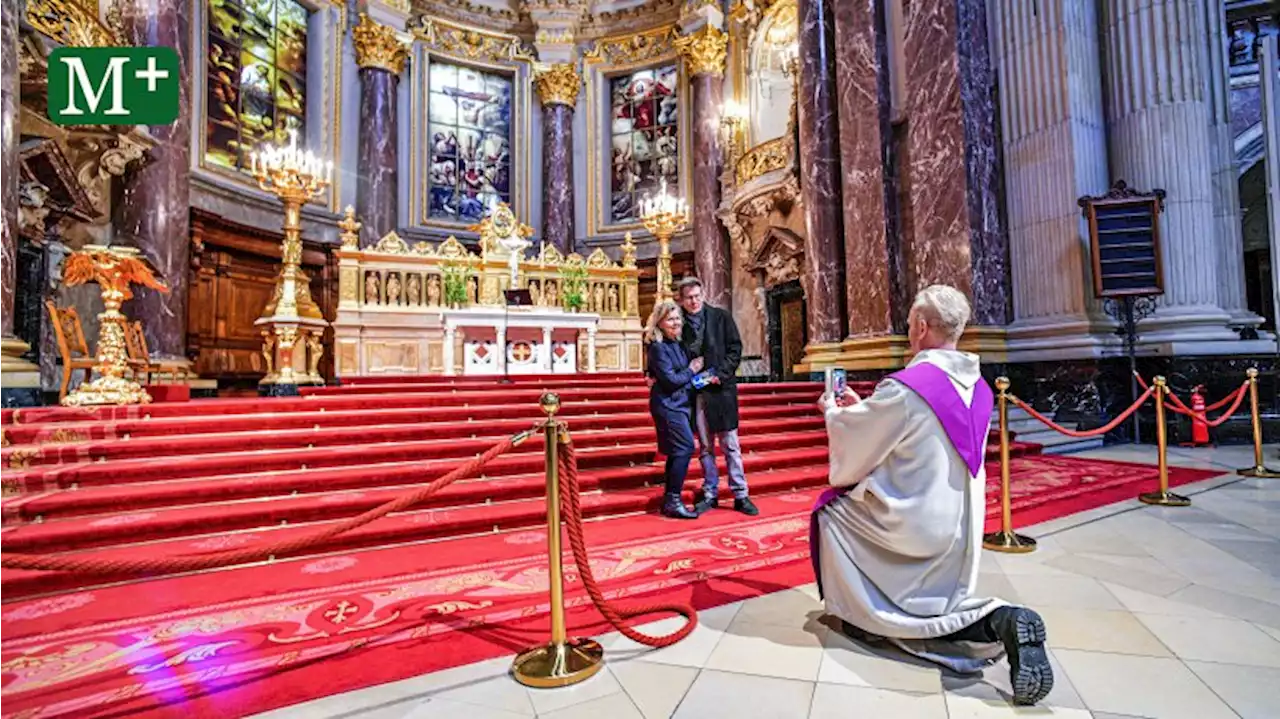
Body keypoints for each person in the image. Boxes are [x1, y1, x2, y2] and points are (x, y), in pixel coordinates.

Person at [811, 284, 1052, 706]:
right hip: (962, 525)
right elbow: (917, 438)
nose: (908, 330)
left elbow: (859, 449)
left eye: (908, 324)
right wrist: (866, 406)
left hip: (914, 524)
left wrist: (835, 412)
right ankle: (1001, 621)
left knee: (830, 514)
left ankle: (868, 617)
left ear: (921, 327)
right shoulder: (977, 385)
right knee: (937, 599)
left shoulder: (906, 387)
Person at [676, 278, 756, 515]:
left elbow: (735, 349)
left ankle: (740, 494)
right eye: (689, 297)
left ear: (703, 294)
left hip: (721, 389)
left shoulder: (721, 317)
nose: (694, 301)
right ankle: (711, 492)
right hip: (697, 392)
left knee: (731, 445)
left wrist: (719, 374)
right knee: (705, 447)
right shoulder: (677, 321)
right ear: (682, 299)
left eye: (697, 296)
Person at [645, 300, 702, 519]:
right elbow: (670, 380)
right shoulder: (658, 347)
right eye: (670, 319)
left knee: (678, 450)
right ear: (659, 322)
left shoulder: (676, 343)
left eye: (678, 317)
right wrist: (691, 370)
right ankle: (673, 500)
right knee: (685, 448)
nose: (676, 322)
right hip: (668, 405)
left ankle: (670, 499)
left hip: (681, 403)